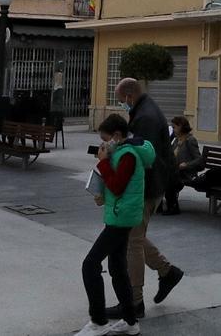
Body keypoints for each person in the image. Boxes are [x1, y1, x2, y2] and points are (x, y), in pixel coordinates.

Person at [107, 78, 183, 319]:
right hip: (152, 185)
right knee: (135, 237)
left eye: (122, 101)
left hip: (148, 187)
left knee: (133, 241)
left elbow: (142, 157)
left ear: (130, 95)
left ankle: (134, 301)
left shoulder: (145, 118)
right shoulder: (145, 109)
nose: (123, 105)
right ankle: (167, 272)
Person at [76, 114, 153, 336]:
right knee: (117, 267)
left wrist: (102, 162)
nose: (102, 144)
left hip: (122, 218)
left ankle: (98, 321)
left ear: (117, 136)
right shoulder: (120, 152)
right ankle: (130, 321)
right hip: (120, 214)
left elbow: (118, 187)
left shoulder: (128, 154)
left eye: (105, 139)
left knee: (90, 265)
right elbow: (117, 186)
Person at [163, 116, 200, 216]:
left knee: (169, 179)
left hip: (186, 173)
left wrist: (186, 165)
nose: (173, 129)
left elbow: (199, 160)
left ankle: (173, 206)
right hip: (175, 171)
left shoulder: (190, 140)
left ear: (181, 127)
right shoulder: (176, 140)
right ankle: (160, 206)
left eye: (174, 127)